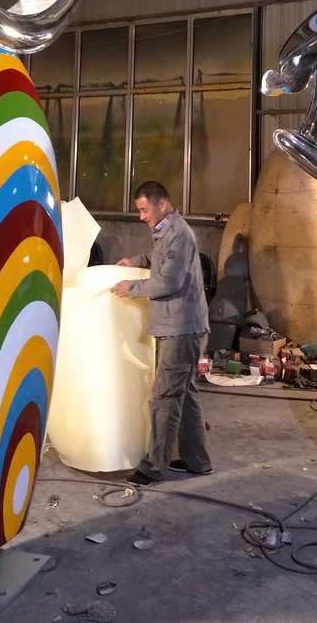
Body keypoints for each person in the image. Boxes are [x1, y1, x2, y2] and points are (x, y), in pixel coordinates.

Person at [111, 180, 212, 487]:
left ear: (162, 204)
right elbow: (160, 259)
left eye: (144, 210)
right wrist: (135, 261)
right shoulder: (166, 232)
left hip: (181, 329)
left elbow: (168, 281)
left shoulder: (179, 234)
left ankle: (154, 467)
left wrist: (132, 288)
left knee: (164, 397)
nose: (141, 216)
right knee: (185, 394)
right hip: (180, 327)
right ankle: (197, 461)